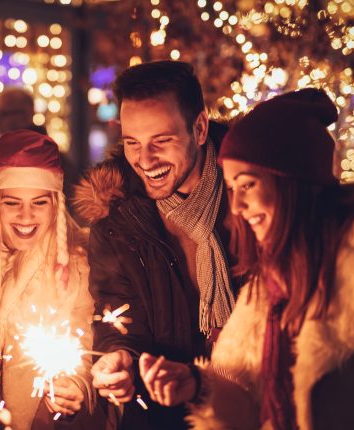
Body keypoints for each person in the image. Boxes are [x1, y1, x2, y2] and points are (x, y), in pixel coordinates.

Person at [140, 89, 354, 430]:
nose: (237, 207)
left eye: (248, 185)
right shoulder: (269, 288)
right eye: (231, 189)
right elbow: (255, 399)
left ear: (290, 182)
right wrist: (198, 385)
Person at [72, 60, 239, 428]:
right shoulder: (116, 221)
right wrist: (117, 359)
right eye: (132, 143)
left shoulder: (249, 198)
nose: (144, 160)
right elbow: (116, 315)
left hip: (247, 412)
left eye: (161, 141)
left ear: (199, 128)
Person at [0, 130, 101, 430]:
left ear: (55, 205)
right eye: (12, 203)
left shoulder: (77, 265)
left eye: (39, 203)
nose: (26, 216)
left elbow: (87, 341)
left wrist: (75, 385)